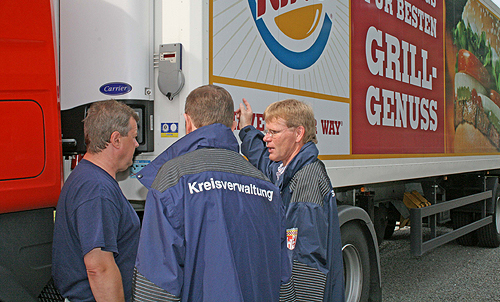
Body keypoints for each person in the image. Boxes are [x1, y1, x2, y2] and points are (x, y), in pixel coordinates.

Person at [132, 85, 290, 302]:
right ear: (233, 124)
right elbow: (283, 275)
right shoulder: (266, 185)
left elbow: (156, 282)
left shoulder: (173, 178)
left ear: (188, 122)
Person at [236, 98, 345, 302]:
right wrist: (247, 128)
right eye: (266, 131)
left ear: (298, 133)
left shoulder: (306, 181)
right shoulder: (283, 168)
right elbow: (261, 159)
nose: (266, 138)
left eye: (274, 132)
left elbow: (306, 263)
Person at [52, 100, 141, 302]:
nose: (136, 144)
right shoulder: (96, 188)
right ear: (116, 139)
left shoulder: (86, 177)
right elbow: (98, 267)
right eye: (134, 137)